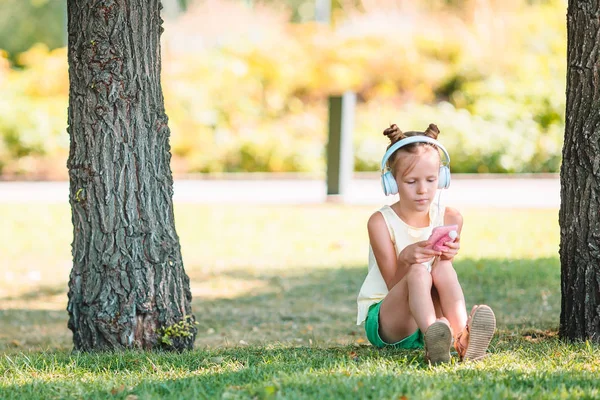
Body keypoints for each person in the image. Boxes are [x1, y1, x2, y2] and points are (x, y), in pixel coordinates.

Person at [356, 123, 496, 365]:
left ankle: (462, 339)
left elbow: (443, 278)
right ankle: (436, 339)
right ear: (391, 182)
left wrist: (448, 255)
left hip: (433, 318)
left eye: (431, 180)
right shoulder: (380, 222)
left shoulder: (451, 217)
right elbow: (392, 284)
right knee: (419, 272)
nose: (422, 190)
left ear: (442, 178)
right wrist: (405, 259)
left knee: (444, 267)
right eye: (411, 182)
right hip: (391, 322)